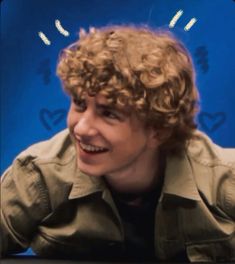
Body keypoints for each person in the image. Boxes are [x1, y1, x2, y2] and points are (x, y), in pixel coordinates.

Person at [1, 25, 235, 262]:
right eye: (79, 104)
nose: (81, 128)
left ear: (158, 130)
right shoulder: (39, 176)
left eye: (109, 114)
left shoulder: (224, 183)